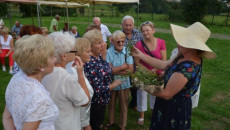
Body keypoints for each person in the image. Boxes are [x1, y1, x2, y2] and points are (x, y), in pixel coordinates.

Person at [131, 22, 216, 129]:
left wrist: (142, 85)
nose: (178, 43)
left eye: (182, 41)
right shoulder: (182, 56)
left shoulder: (188, 68)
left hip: (174, 110)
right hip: (166, 106)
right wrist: (141, 55)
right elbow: (163, 64)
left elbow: (166, 94)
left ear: (192, 46)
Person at [3, 34, 58, 130]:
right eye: (52, 57)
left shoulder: (17, 78)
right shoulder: (39, 98)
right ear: (41, 65)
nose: (55, 59)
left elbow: (7, 117)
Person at [42, 32, 90, 130]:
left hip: (51, 123)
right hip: (66, 125)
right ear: (64, 56)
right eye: (73, 51)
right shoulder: (66, 78)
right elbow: (85, 101)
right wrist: (80, 74)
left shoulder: (43, 72)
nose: (75, 52)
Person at [83, 30, 122, 130]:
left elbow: (106, 68)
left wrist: (104, 53)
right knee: (94, 125)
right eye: (99, 42)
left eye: (103, 41)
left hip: (102, 101)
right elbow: (97, 89)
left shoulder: (99, 56)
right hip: (95, 103)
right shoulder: (89, 62)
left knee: (98, 123)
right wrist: (113, 85)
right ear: (90, 46)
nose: (104, 44)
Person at [134, 21, 167, 125]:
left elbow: (164, 59)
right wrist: (146, 71)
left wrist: (155, 70)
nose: (145, 32)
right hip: (143, 74)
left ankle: (153, 113)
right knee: (142, 94)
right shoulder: (139, 44)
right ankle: (141, 116)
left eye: (147, 30)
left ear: (153, 30)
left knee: (155, 93)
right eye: (143, 31)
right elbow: (136, 62)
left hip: (157, 73)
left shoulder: (161, 42)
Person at [106, 30, 134, 130]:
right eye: (118, 42)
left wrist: (115, 70)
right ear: (112, 41)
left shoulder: (128, 51)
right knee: (111, 105)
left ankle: (123, 126)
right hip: (112, 83)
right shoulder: (108, 52)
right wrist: (123, 67)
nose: (121, 43)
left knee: (123, 106)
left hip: (124, 84)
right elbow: (109, 70)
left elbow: (130, 70)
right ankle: (111, 122)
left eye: (122, 41)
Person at [65, 38, 93, 130]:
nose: (91, 54)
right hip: (77, 122)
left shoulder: (79, 68)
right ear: (78, 53)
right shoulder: (73, 71)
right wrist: (85, 124)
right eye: (88, 51)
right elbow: (79, 99)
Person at [121, 15, 143, 110]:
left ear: (133, 25)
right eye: (126, 25)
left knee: (135, 85)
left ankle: (134, 103)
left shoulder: (138, 34)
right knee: (125, 85)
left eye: (130, 25)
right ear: (122, 25)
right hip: (124, 64)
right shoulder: (118, 35)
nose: (128, 27)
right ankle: (124, 103)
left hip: (137, 63)